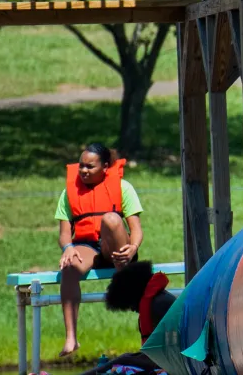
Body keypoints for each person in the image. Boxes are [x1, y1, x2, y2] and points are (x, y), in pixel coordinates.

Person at [54, 142, 144, 357]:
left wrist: (133, 248)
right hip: (87, 247)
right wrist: (67, 248)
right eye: (81, 166)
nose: (83, 171)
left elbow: (136, 229)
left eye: (90, 167)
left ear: (105, 167)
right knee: (69, 268)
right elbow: (65, 233)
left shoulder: (123, 187)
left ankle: (127, 284)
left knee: (111, 219)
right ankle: (71, 338)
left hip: (117, 247)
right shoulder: (70, 192)